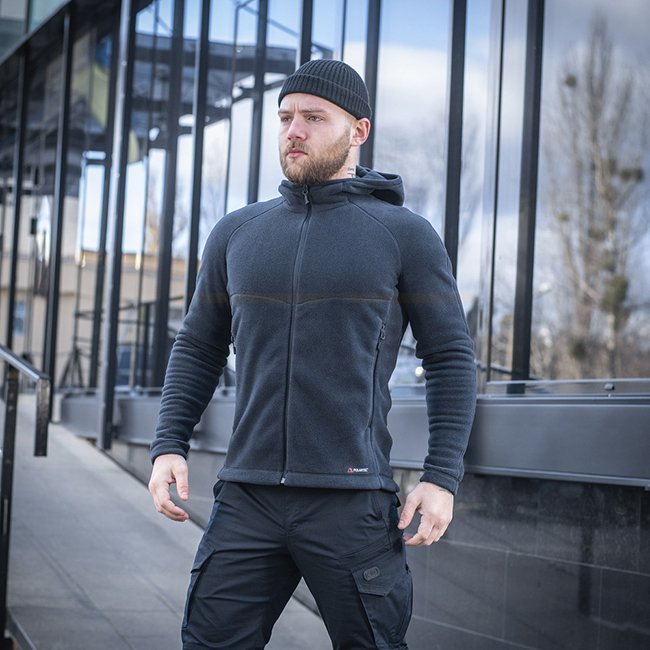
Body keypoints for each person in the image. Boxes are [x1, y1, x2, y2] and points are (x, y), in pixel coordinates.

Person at [148, 59, 477, 650]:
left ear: (359, 130)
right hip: (246, 496)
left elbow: (450, 355)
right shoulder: (236, 233)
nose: (293, 130)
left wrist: (442, 477)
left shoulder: (404, 235)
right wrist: (169, 443)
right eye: (285, 118)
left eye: (314, 117)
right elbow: (197, 346)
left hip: (352, 502)